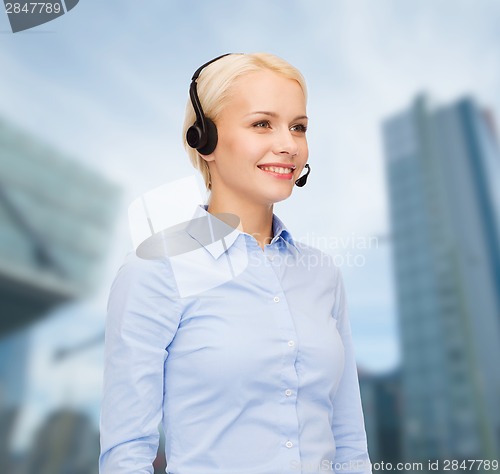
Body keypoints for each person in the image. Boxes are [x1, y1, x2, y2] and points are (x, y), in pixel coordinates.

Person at [99, 52, 371, 474]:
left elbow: (349, 439)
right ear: (202, 139)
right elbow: (126, 452)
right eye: (262, 123)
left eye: (298, 127)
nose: (288, 144)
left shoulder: (322, 273)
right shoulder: (155, 270)